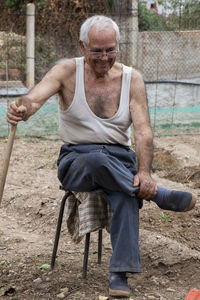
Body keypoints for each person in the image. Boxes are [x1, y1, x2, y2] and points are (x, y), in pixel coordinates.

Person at [7, 15, 196, 298]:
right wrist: (21, 108)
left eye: (110, 49)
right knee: (96, 159)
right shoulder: (66, 72)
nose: (104, 57)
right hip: (77, 161)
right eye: (97, 50)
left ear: (117, 46)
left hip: (119, 159)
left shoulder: (132, 79)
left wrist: (144, 173)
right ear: (83, 47)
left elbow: (143, 132)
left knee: (124, 192)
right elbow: (34, 98)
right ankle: (158, 196)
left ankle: (119, 273)